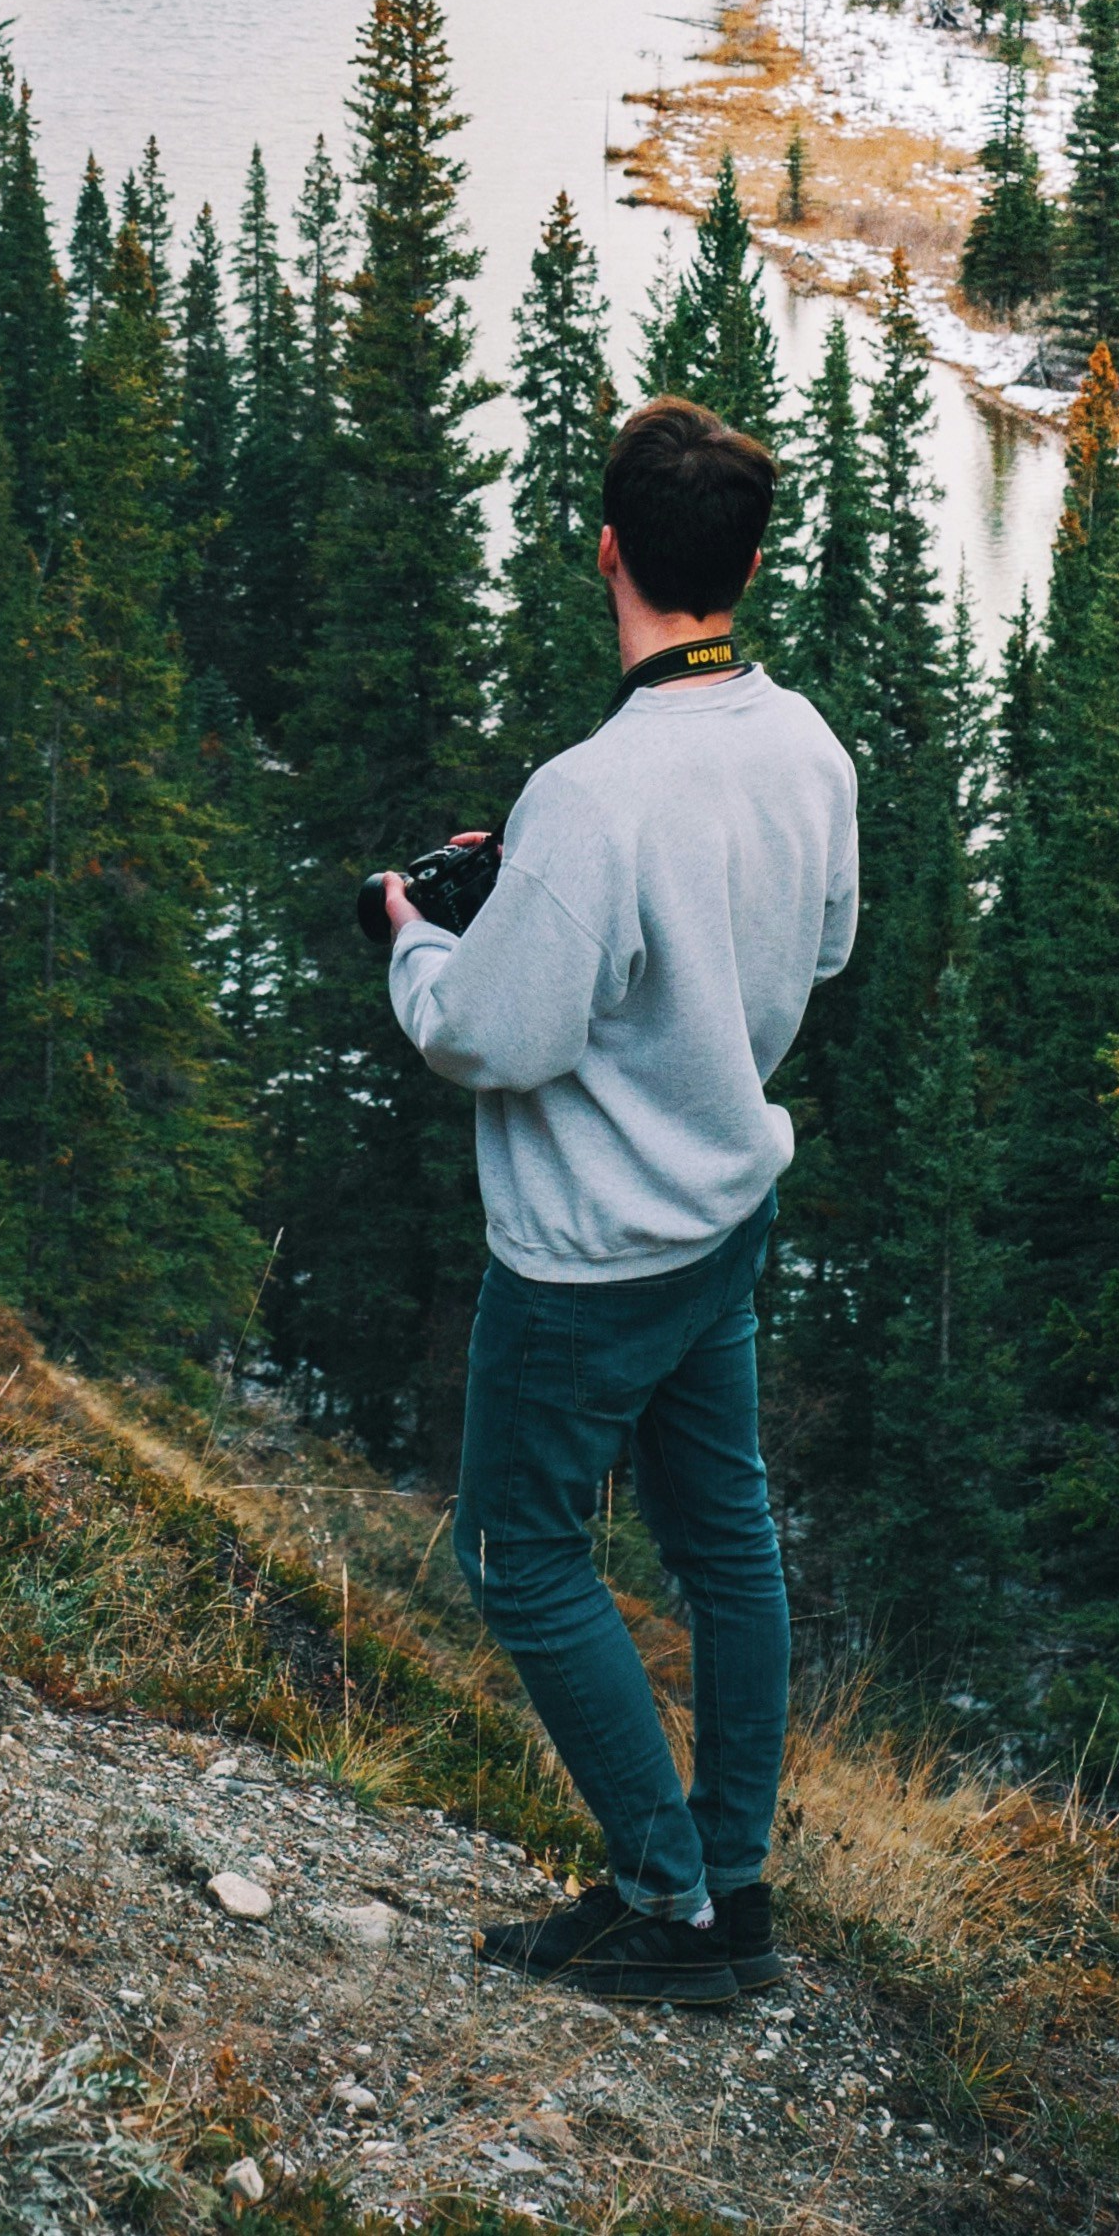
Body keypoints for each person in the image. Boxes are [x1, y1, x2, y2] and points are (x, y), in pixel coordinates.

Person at [379, 392, 856, 2012]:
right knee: (725, 1548)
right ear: (745, 558)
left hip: (585, 1260)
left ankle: (661, 1901)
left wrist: (419, 931)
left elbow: (486, 1034)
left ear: (606, 554)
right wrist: (546, 891)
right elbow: (822, 943)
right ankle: (730, 1880)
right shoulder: (803, 745)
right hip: (722, 1220)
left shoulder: (590, 792)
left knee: (519, 1557)